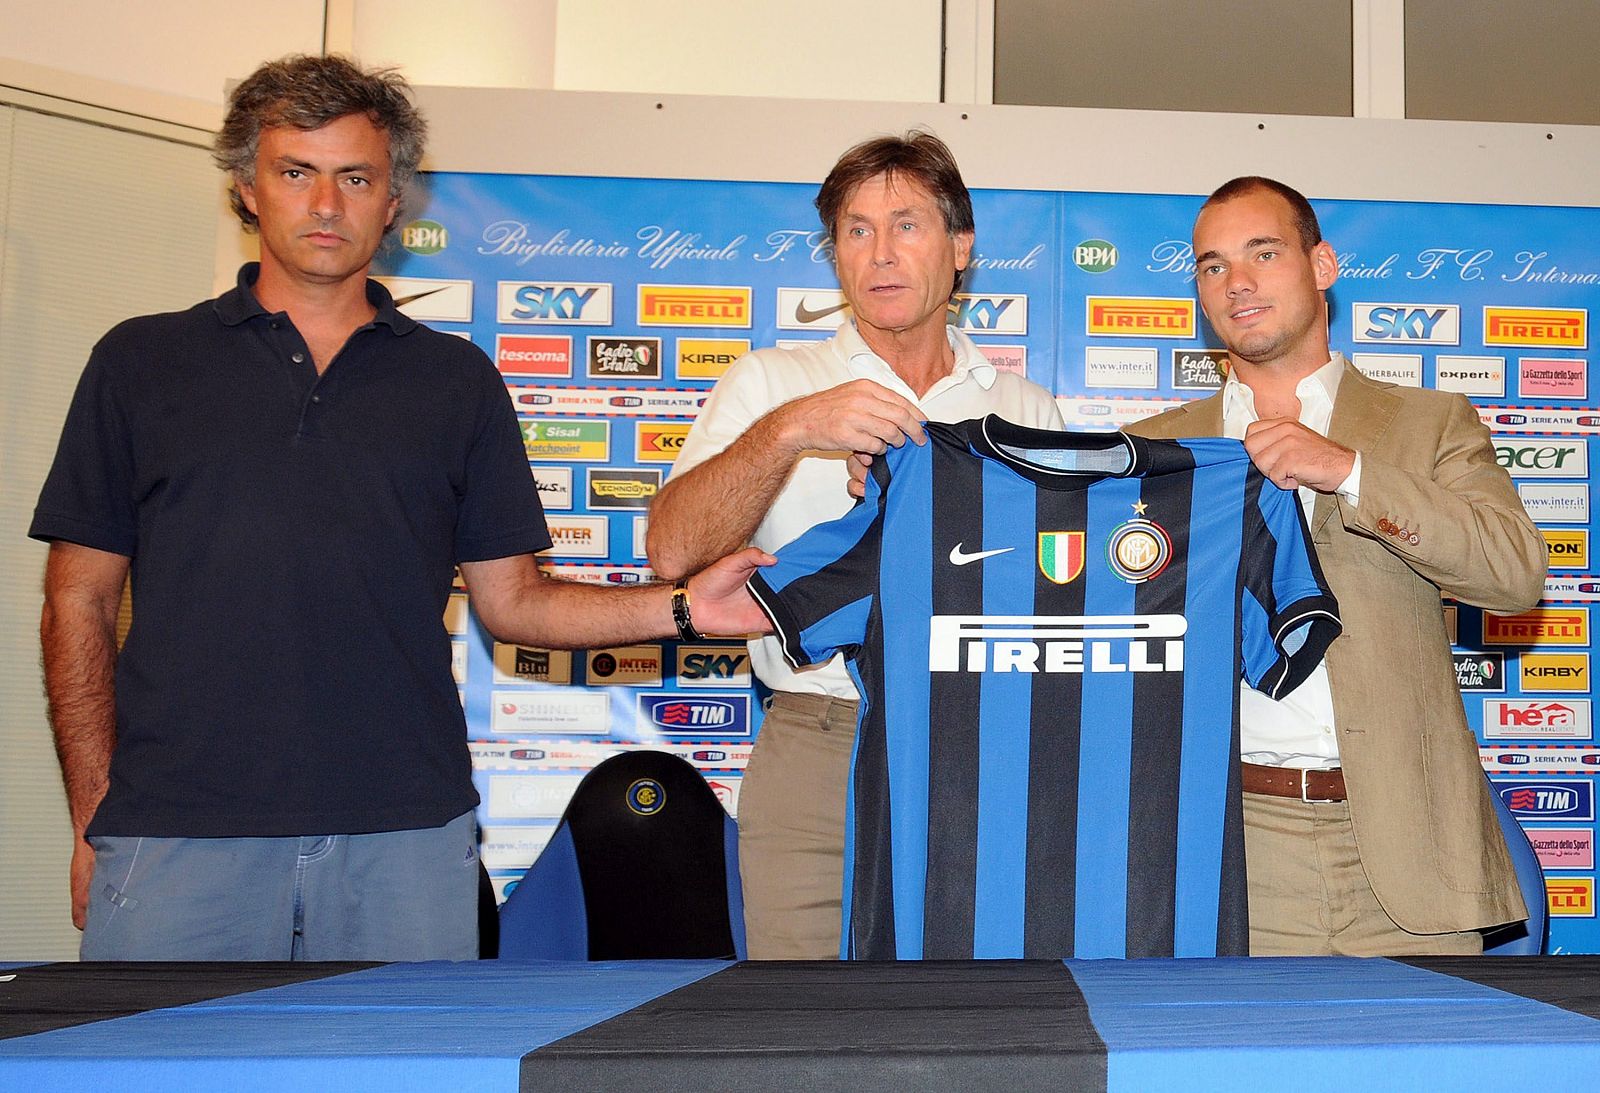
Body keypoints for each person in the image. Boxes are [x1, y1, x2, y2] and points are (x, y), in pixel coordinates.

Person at [31, 54, 770, 962]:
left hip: (405, 845)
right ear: (246, 188)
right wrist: (94, 814)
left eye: (356, 177)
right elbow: (78, 601)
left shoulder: (455, 381)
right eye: (296, 172)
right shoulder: (139, 364)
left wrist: (688, 607)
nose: (327, 204)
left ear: (394, 200)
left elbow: (515, 601)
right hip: (178, 838)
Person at [647, 131, 1063, 958]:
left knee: (977, 1026)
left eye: (907, 224)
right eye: (856, 229)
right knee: (803, 1035)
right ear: (834, 253)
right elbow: (671, 553)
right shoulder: (771, 384)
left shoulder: (1025, 407)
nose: (880, 252)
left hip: (981, 747)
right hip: (818, 745)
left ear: (961, 247)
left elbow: (1060, 599)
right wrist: (795, 430)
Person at [1126, 176, 1546, 955]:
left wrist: (1350, 470)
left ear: (1322, 265)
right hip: (1228, 843)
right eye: (1212, 265)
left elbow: (1514, 573)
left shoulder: (1428, 423)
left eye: (1263, 252)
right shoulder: (1149, 448)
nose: (1237, 281)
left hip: (1409, 843)